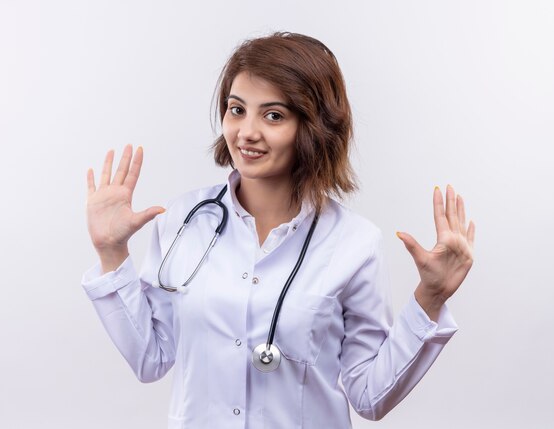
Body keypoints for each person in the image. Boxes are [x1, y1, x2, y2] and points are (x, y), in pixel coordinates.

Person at [82, 32, 475, 428]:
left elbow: (370, 397)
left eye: (273, 115)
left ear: (314, 127)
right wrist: (111, 254)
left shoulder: (355, 243)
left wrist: (430, 298)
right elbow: (152, 358)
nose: (246, 132)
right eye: (237, 110)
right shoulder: (182, 221)